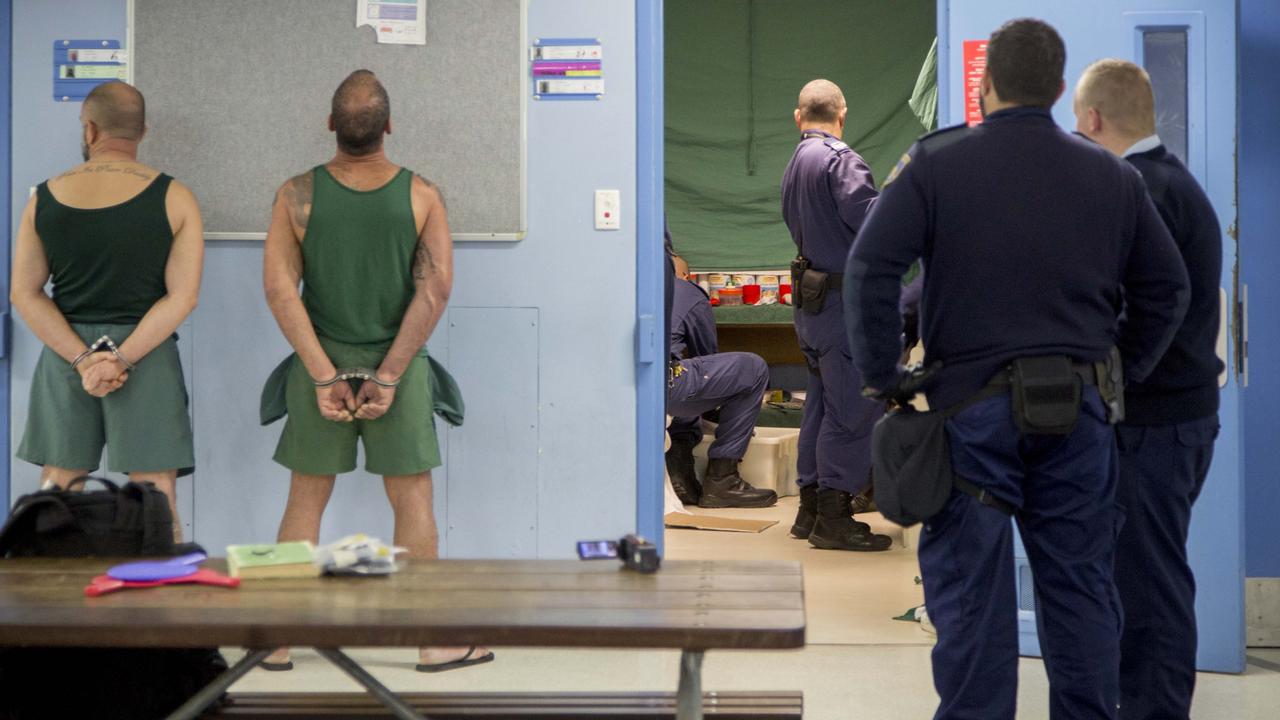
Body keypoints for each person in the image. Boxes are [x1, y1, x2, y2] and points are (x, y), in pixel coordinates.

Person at [846, 19, 1191, 719]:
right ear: (1062, 90)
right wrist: (1121, 366)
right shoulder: (1112, 178)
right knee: (1081, 592)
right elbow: (1169, 288)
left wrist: (885, 374)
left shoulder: (937, 166)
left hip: (970, 415)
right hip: (1080, 415)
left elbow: (871, 267)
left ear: (983, 83)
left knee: (973, 595)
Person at [260, 70, 490, 673]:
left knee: (305, 497)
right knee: (411, 498)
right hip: (400, 369)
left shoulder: (294, 195)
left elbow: (282, 293)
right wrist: (388, 375)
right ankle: (433, 643)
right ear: (388, 126)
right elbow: (434, 291)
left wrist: (320, 373)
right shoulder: (423, 194)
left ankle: (278, 641)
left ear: (331, 125)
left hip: (321, 368)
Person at [1075, 59, 1223, 720]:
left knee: (1152, 585)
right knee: (1143, 577)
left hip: (1155, 422)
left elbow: (1153, 301)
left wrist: (1119, 381)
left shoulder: (1143, 188)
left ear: (1093, 119)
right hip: (1172, 418)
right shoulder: (1168, 182)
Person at [10, 81, 203, 542]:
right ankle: (158, 602)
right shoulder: (175, 196)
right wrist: (120, 359)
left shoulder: (46, 197)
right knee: (155, 491)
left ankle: (54, 609)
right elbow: (182, 297)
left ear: (89, 128)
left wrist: (83, 360)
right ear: (143, 131)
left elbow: (26, 292)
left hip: (66, 354)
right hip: (146, 354)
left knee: (58, 488)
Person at [780, 79, 891, 552]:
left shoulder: (795, 163)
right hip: (843, 306)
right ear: (842, 114)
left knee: (821, 406)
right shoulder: (841, 161)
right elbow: (875, 224)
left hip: (811, 305)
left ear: (798, 116)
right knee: (851, 411)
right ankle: (833, 517)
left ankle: (808, 508)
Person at [664, 255, 776, 508]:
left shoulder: (628, 285)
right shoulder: (688, 290)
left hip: (622, 385)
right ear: (685, 277)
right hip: (663, 383)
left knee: (685, 375)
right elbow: (706, 355)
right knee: (751, 368)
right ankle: (722, 480)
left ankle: (679, 471)